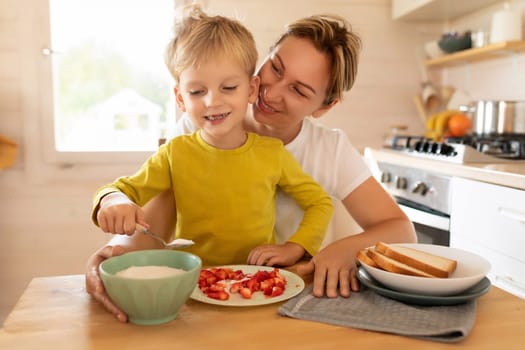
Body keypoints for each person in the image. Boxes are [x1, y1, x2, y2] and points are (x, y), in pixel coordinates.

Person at [86, 12, 416, 323]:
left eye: (298, 90)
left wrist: (343, 249)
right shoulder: (197, 129)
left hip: (287, 304)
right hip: (207, 300)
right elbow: (153, 226)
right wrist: (114, 256)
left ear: (324, 107)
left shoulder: (329, 148)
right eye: (274, 68)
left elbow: (402, 231)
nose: (270, 92)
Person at [92, 6, 333, 269]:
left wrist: (294, 247)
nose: (212, 101)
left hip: (257, 284)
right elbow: (120, 190)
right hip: (194, 285)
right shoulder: (175, 153)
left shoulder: (272, 153)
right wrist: (113, 200)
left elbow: (320, 203)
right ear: (181, 98)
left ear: (252, 89)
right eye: (196, 91)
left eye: (228, 88)